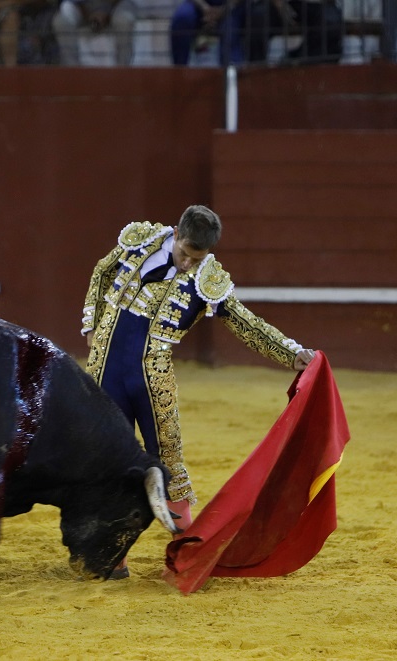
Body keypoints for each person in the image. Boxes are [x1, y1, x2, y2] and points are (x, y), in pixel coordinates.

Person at [81, 205, 316, 577]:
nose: (189, 264)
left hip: (151, 380)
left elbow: (244, 323)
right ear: (176, 234)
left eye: (197, 258)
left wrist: (291, 353)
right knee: (107, 462)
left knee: (169, 460)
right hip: (104, 370)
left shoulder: (208, 279)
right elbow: (102, 270)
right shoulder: (139, 240)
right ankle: (113, 556)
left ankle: (188, 556)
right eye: (185, 254)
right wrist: (91, 323)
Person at [244, 0, 343, 64]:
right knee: (257, 18)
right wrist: (279, 4)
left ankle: (298, 61)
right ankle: (256, 69)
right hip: (276, 3)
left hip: (315, 4)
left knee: (331, 23)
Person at [50, 0, 143, 66]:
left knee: (123, 21)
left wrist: (106, 14)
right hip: (85, 6)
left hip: (119, 3)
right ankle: (73, 72)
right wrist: (90, 15)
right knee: (61, 21)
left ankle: (123, 71)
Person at [0, 0, 59, 66]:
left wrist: (6, 2)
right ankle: (11, 75)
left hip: (41, 29)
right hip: (0, 33)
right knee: (10, 18)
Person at [169, 0, 245, 66]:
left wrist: (223, 11)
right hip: (199, 5)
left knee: (230, 32)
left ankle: (233, 73)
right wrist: (205, 8)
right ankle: (180, 70)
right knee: (182, 19)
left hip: (232, 6)